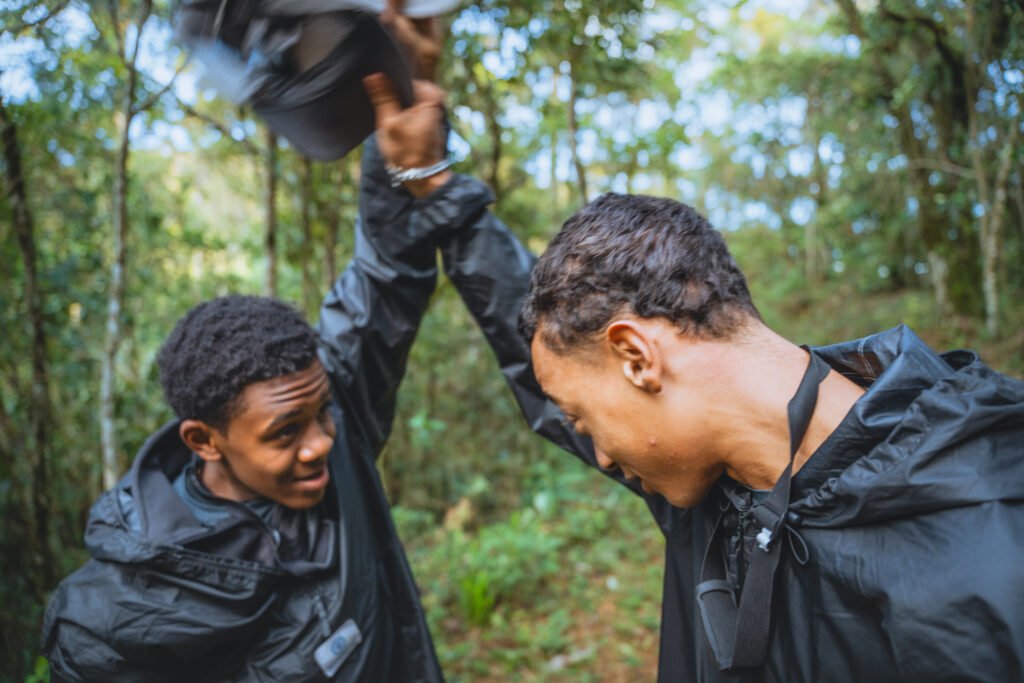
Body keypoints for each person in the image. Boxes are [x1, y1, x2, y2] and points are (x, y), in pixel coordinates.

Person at [357, 79, 1024, 680]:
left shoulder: (988, 555)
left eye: (581, 418)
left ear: (638, 357)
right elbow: (540, 336)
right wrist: (434, 185)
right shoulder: (711, 486)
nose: (598, 453)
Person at [40, 22, 467, 683]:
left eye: (322, 415)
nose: (322, 443)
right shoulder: (114, 621)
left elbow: (382, 274)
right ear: (204, 440)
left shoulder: (334, 423)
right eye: (285, 432)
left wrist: (399, 89)